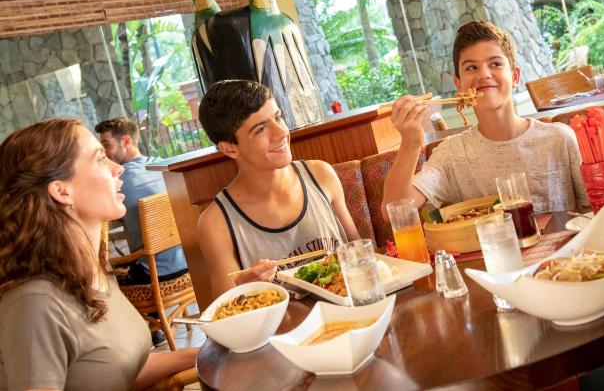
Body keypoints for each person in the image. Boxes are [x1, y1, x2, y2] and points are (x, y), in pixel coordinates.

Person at [0, 118, 196, 391]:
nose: (118, 168)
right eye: (100, 159)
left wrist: (206, 354)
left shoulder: (94, 268)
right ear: (62, 191)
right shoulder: (36, 304)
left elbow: (119, 371)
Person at [382, 20, 589, 216]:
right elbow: (393, 211)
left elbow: (594, 210)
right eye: (471, 68)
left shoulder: (560, 139)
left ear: (515, 76)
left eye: (495, 64)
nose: (484, 75)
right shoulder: (451, 155)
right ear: (459, 84)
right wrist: (410, 143)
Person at [197, 79, 360, 297]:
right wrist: (247, 291)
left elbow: (360, 255)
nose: (281, 132)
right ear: (230, 149)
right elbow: (227, 310)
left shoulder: (321, 175)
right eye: (261, 129)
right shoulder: (216, 223)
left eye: (278, 117)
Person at [95, 117, 188, 347]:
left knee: (105, 277)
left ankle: (136, 340)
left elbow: (103, 220)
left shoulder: (120, 180)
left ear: (126, 141)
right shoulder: (161, 166)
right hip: (187, 265)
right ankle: (155, 327)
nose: (104, 153)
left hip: (157, 277)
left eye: (106, 145)